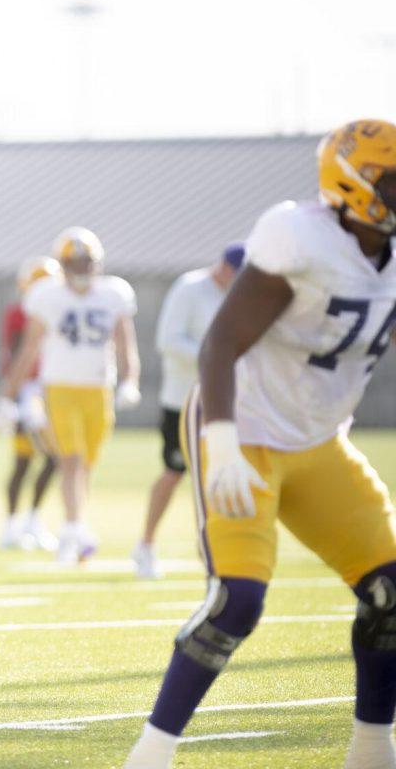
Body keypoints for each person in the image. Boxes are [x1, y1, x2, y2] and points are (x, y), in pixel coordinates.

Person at [124, 119, 396, 769]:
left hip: (320, 441)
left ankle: (372, 747)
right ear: (352, 183)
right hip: (242, 426)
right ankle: (152, 754)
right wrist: (219, 439)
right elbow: (221, 341)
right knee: (236, 603)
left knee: (393, 592)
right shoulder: (299, 235)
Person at [0, 227, 141, 564]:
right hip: (59, 387)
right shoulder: (48, 296)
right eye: (73, 262)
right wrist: (9, 396)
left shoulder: (113, 294)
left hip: (98, 388)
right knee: (70, 459)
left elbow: (125, 344)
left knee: (86, 463)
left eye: (85, 261)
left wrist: (129, 381)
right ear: (62, 264)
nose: (80, 268)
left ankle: (72, 528)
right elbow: (28, 350)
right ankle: (75, 529)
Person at [131, 243, 244, 579]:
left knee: (219, 475)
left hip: (222, 400)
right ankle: (146, 545)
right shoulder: (190, 288)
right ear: (223, 266)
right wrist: (214, 359)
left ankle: (212, 550)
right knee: (174, 472)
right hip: (183, 400)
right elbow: (169, 341)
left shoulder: (237, 296)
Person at [0, 256, 61, 551]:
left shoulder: (61, 310)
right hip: (28, 391)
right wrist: (10, 395)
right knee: (23, 460)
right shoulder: (19, 313)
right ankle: (12, 525)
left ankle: (33, 520)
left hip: (53, 389)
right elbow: (17, 355)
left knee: (55, 458)